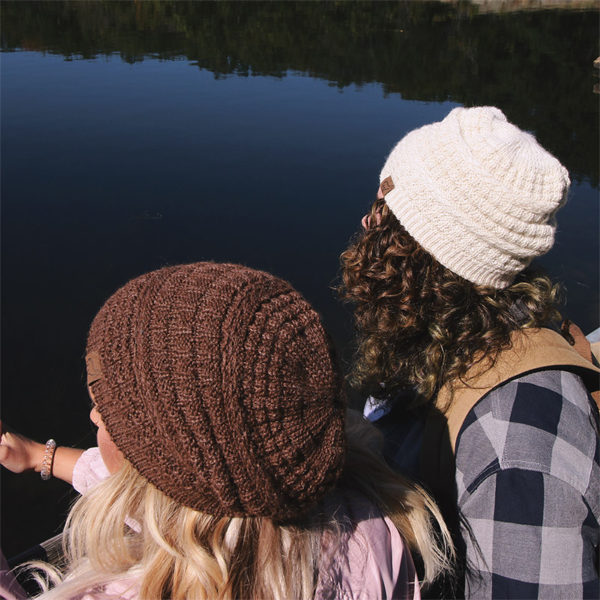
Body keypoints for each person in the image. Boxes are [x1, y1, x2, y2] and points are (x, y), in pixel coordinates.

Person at [0, 262, 452, 600]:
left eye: (107, 414)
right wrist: (39, 455)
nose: (95, 418)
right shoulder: (366, 530)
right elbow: (164, 491)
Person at [339, 106, 600, 599]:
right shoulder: (455, 334)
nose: (366, 221)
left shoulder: (517, 452)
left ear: (425, 254)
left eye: (382, 212)